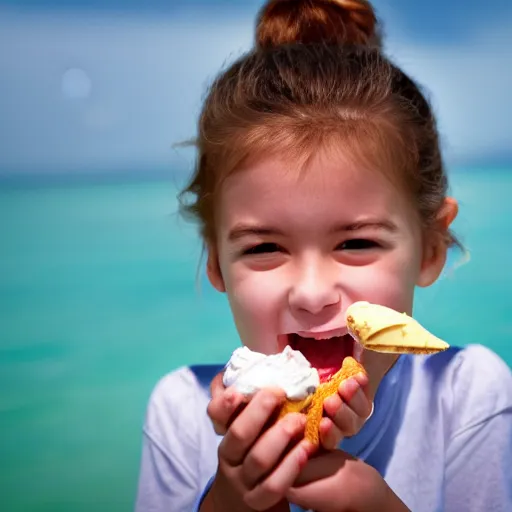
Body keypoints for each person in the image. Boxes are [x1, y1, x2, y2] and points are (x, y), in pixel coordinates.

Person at [134, 0, 512, 511]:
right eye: (264, 247)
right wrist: (232, 500)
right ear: (217, 263)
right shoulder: (180, 412)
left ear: (431, 247)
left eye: (356, 242)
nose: (312, 293)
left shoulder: (468, 397)